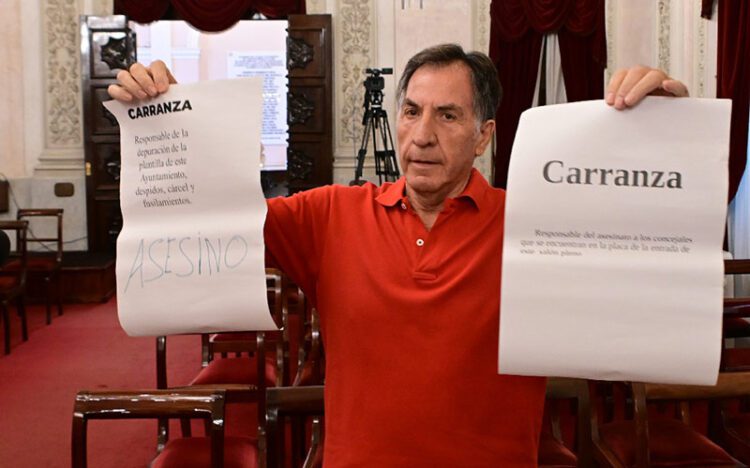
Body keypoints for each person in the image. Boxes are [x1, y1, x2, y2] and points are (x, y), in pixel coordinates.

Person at [110, 44, 688, 466]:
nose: (421, 135)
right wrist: (158, 120)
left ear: (484, 135)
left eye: (448, 115)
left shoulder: (533, 223)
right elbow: (206, 221)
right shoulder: (330, 215)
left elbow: (652, 243)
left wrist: (665, 131)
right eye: (411, 111)